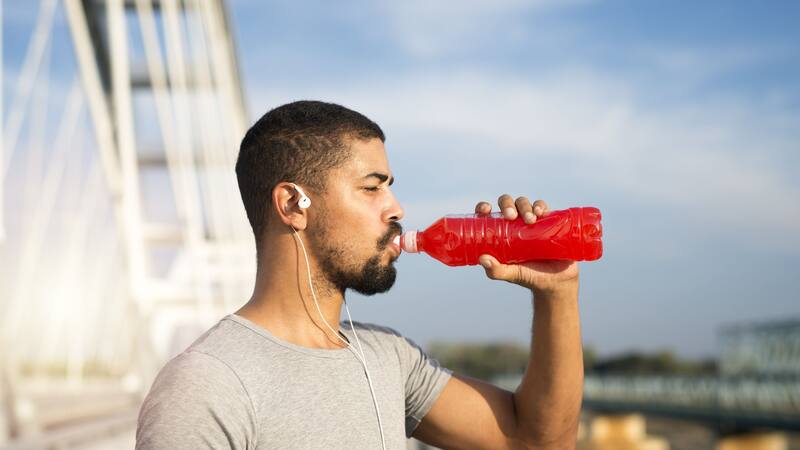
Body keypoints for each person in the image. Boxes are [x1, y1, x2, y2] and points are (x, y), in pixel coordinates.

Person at [135, 101, 583, 449]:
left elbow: (537, 440)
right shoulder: (207, 385)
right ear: (293, 204)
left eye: (390, 187)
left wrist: (557, 291)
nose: (396, 209)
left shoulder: (389, 358)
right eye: (371, 187)